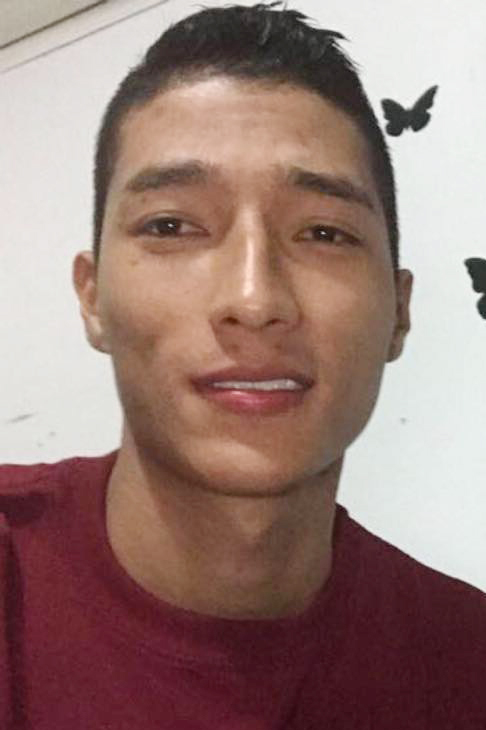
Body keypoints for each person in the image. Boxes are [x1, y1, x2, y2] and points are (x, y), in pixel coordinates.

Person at [1, 3, 485, 728]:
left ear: (399, 311)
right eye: (172, 225)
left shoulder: (467, 663)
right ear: (93, 297)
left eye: (324, 233)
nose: (254, 300)